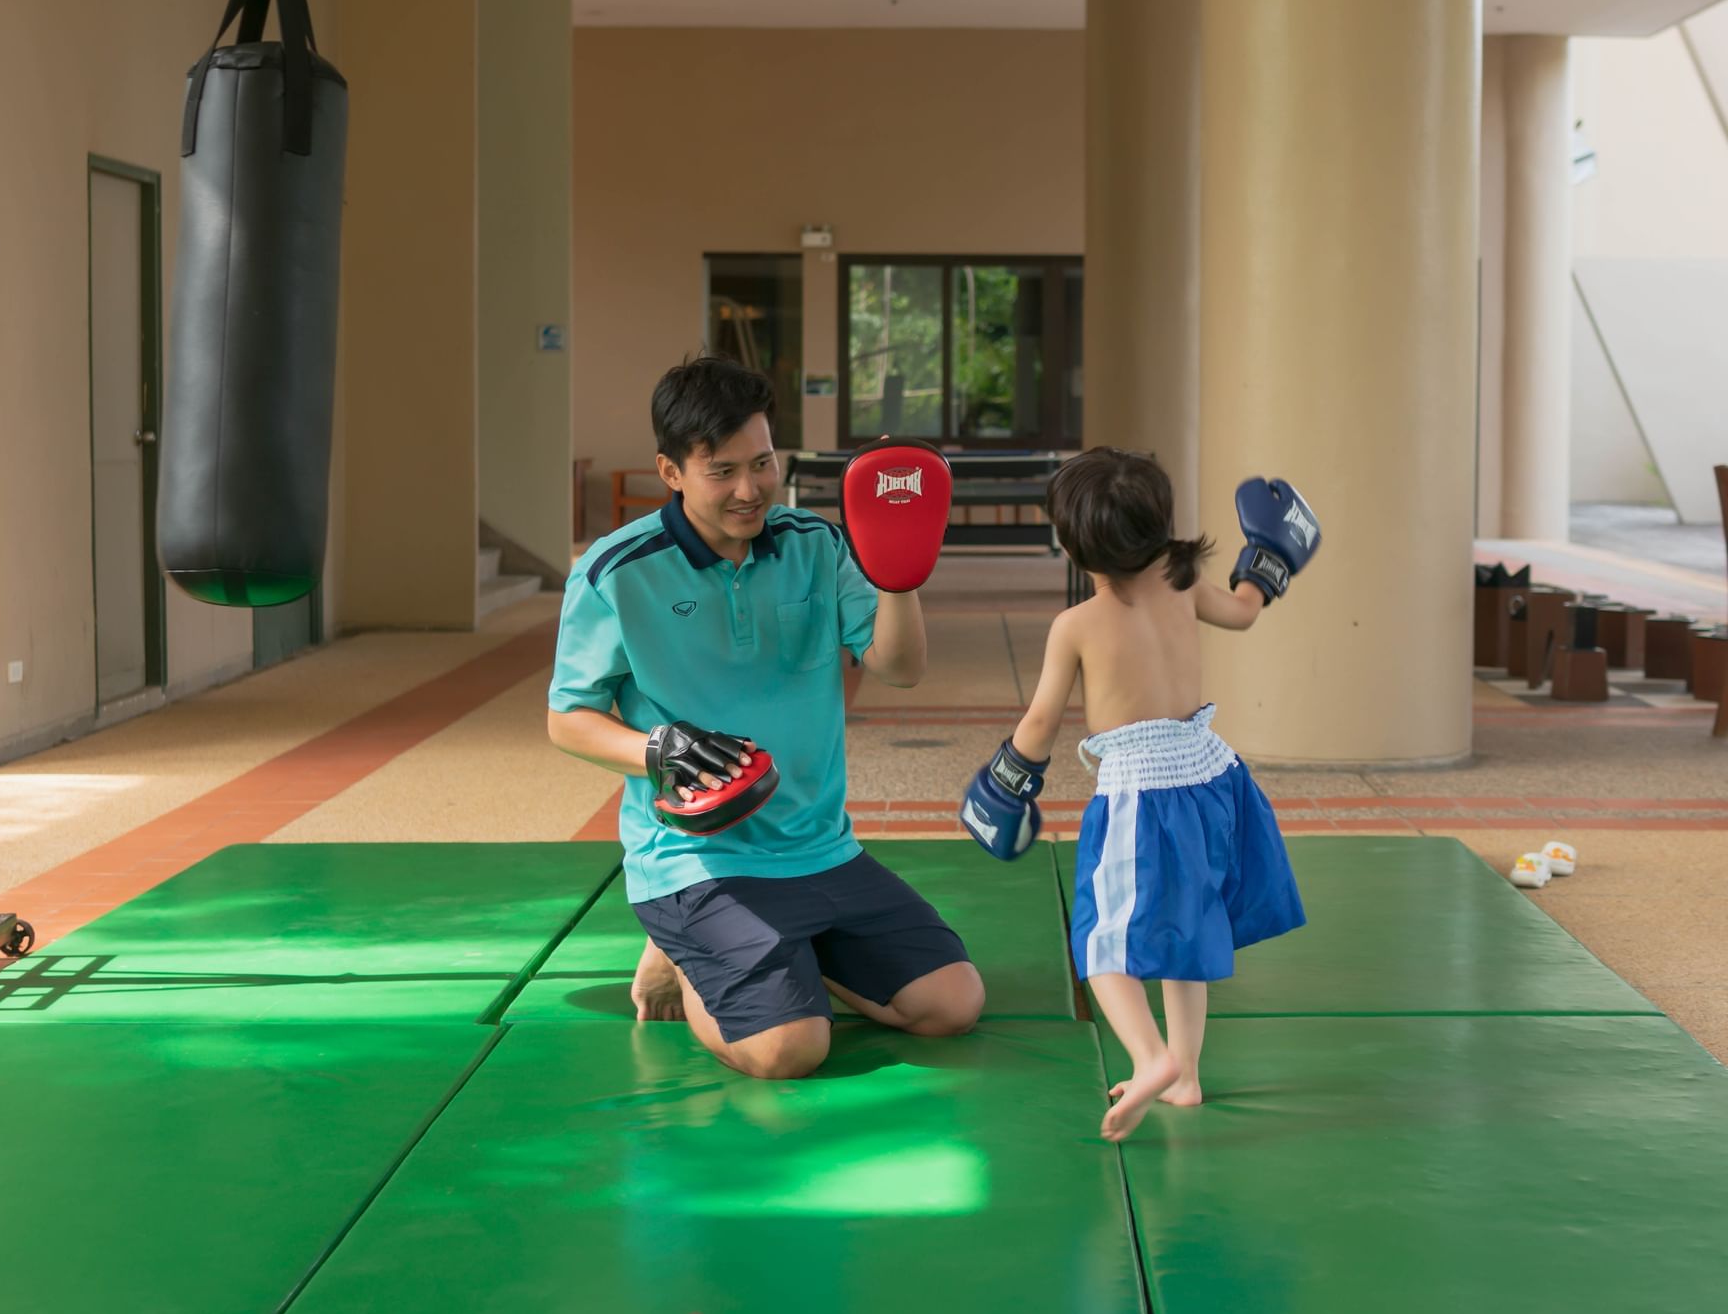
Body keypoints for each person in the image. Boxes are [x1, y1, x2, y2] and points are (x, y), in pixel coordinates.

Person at [547, 356, 983, 1080]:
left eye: (763, 463)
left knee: (953, 1004)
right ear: (671, 470)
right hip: (697, 859)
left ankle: (773, 953)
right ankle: (684, 956)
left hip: (822, 848)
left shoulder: (816, 544)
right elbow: (569, 720)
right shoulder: (615, 571)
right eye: (722, 471)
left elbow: (900, 669)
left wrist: (900, 577)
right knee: (789, 1050)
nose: (750, 490)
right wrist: (659, 748)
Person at [966, 447, 1316, 1140]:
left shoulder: (1076, 626)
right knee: (1188, 933)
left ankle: (1150, 1058)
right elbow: (1246, 612)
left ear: (1071, 545)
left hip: (1142, 795)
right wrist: (1269, 558)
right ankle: (1185, 1075)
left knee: (1101, 943)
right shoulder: (1184, 584)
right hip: (1215, 775)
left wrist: (1004, 785)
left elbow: (1040, 723)